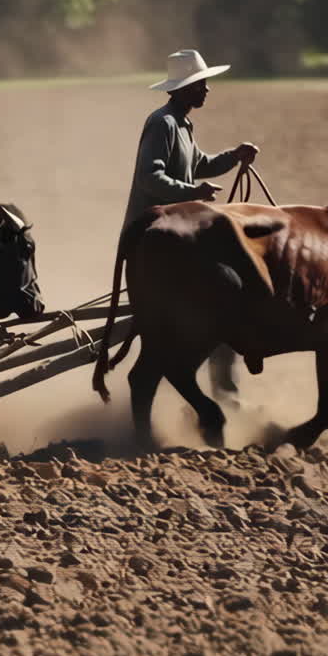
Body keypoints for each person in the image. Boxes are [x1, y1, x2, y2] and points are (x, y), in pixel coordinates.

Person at [121, 49, 259, 404]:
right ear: (182, 89)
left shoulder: (182, 124)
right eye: (200, 84)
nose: (206, 90)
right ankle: (217, 397)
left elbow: (200, 164)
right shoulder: (163, 123)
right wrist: (192, 192)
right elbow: (150, 177)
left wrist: (233, 156)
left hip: (179, 235)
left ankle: (220, 396)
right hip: (157, 240)